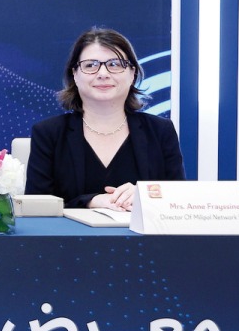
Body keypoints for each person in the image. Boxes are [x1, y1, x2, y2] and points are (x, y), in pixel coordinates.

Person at [26, 27, 185, 210]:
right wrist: (90, 202)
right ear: (75, 75)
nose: (103, 73)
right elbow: (36, 208)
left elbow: (178, 199)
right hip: (72, 238)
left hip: (144, 238)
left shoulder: (160, 131)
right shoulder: (49, 133)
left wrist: (147, 195)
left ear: (133, 73)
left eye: (115, 64)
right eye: (90, 65)